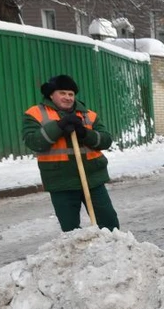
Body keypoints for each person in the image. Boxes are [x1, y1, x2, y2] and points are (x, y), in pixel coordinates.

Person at [22, 74, 120, 232]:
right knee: (71, 230)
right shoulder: (35, 114)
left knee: (109, 223)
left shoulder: (89, 115)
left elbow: (106, 140)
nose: (67, 97)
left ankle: (112, 251)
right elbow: (34, 141)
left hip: (92, 179)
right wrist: (59, 126)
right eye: (62, 93)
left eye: (70, 94)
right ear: (51, 94)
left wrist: (84, 133)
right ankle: (78, 255)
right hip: (61, 181)